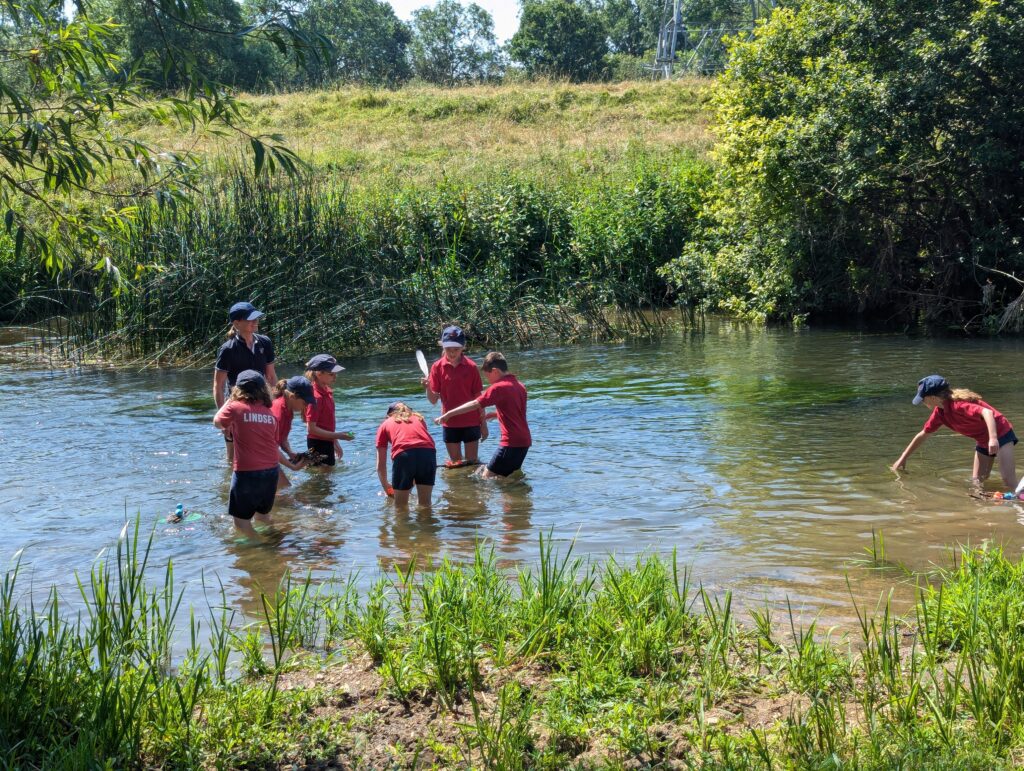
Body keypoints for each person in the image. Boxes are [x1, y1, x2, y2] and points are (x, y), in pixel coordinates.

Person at [892, 375, 1018, 488]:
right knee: (977, 482)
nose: (923, 403)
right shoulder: (939, 413)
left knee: (1008, 481)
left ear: (932, 398)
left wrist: (993, 439)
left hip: (1000, 433)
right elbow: (923, 434)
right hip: (982, 439)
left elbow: (987, 412)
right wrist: (903, 458)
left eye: (923, 399)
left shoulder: (958, 405)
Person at [436, 352, 531, 479]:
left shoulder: (498, 387)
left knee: (486, 477)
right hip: (525, 441)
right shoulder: (520, 386)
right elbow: (517, 411)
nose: (488, 381)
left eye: (488, 376)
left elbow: (476, 403)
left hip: (510, 443)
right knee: (509, 478)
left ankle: (477, 497)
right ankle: (515, 498)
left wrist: (448, 414)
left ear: (495, 371)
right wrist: (497, 414)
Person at [212, 370, 281, 537]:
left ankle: (263, 551)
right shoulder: (270, 414)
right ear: (263, 390)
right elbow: (273, 442)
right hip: (272, 472)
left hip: (247, 472)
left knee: (241, 523)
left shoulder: (235, 407)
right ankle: (275, 541)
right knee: (262, 516)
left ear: (238, 389)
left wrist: (230, 399)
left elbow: (217, 422)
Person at [213, 302, 276, 465]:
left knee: (265, 447)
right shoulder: (227, 349)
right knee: (232, 456)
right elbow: (218, 386)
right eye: (250, 319)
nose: (255, 321)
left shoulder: (265, 343)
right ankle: (229, 484)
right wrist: (224, 420)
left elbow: (271, 376)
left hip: (262, 401)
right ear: (236, 323)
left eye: (256, 318)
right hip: (236, 405)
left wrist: (276, 406)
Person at [422, 325, 488, 468]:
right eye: (448, 349)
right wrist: (427, 387)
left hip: (471, 422)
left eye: (456, 349)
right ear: (443, 348)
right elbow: (433, 400)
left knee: (472, 464)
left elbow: (479, 399)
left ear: (463, 347)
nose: (452, 353)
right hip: (449, 422)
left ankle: (472, 490)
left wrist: (484, 425)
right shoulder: (437, 367)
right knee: (455, 466)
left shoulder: (471, 367)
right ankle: (459, 489)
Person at [375, 401, 437, 508]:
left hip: (404, 455)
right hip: (428, 453)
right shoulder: (419, 419)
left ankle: (402, 525)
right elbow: (418, 450)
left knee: (400, 507)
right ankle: (427, 523)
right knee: (425, 504)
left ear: (388, 415)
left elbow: (381, 465)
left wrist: (386, 487)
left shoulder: (385, 424)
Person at [304, 354, 354, 467]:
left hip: (327, 441)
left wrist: (335, 442)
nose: (335, 377)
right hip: (317, 443)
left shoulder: (327, 391)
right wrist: (338, 435)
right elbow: (311, 428)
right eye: (331, 374)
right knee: (322, 478)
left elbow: (326, 423)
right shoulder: (316, 397)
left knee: (327, 475)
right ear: (318, 373)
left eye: (336, 373)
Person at [270, 376, 316, 489]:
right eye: (305, 402)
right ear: (292, 396)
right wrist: (292, 466)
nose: (306, 406)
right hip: (262, 455)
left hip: (268, 453)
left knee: (282, 490)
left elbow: (282, 438)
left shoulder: (288, 409)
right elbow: (271, 448)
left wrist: (290, 453)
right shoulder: (278, 413)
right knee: (284, 490)